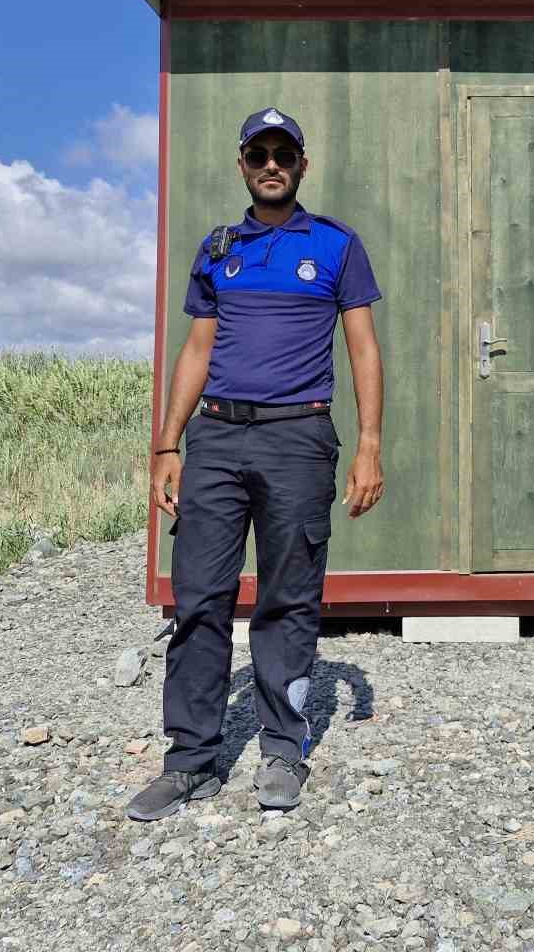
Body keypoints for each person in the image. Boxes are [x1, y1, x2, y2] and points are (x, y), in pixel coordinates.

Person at [128, 106, 385, 822]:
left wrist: (369, 444)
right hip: (214, 438)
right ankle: (189, 763)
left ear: (302, 165)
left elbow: (363, 349)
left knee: (287, 598)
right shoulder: (218, 249)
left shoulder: (335, 246)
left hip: (298, 440)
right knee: (199, 600)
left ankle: (281, 749)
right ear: (242, 165)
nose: (271, 164)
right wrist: (166, 444)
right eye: (258, 154)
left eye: (284, 154)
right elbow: (197, 350)